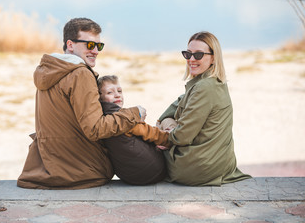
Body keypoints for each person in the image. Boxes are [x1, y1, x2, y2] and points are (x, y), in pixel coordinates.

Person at [17, 18, 146, 190]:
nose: (95, 51)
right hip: (83, 171)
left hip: (48, 168)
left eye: (99, 46)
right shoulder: (80, 74)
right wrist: (134, 114)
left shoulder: (50, 70)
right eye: (90, 45)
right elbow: (95, 129)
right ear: (70, 45)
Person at [156, 31, 251, 186]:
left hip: (197, 167)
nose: (191, 59)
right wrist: (169, 124)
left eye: (198, 55)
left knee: (139, 150)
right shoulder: (212, 82)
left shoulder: (204, 88)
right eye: (188, 54)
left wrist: (164, 134)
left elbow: (181, 136)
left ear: (213, 58)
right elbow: (166, 114)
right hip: (217, 164)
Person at [97, 75, 170, 185]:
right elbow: (151, 133)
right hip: (153, 170)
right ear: (100, 97)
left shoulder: (100, 119)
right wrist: (169, 140)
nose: (117, 95)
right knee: (166, 127)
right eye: (110, 93)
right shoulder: (122, 119)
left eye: (119, 91)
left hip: (127, 175)